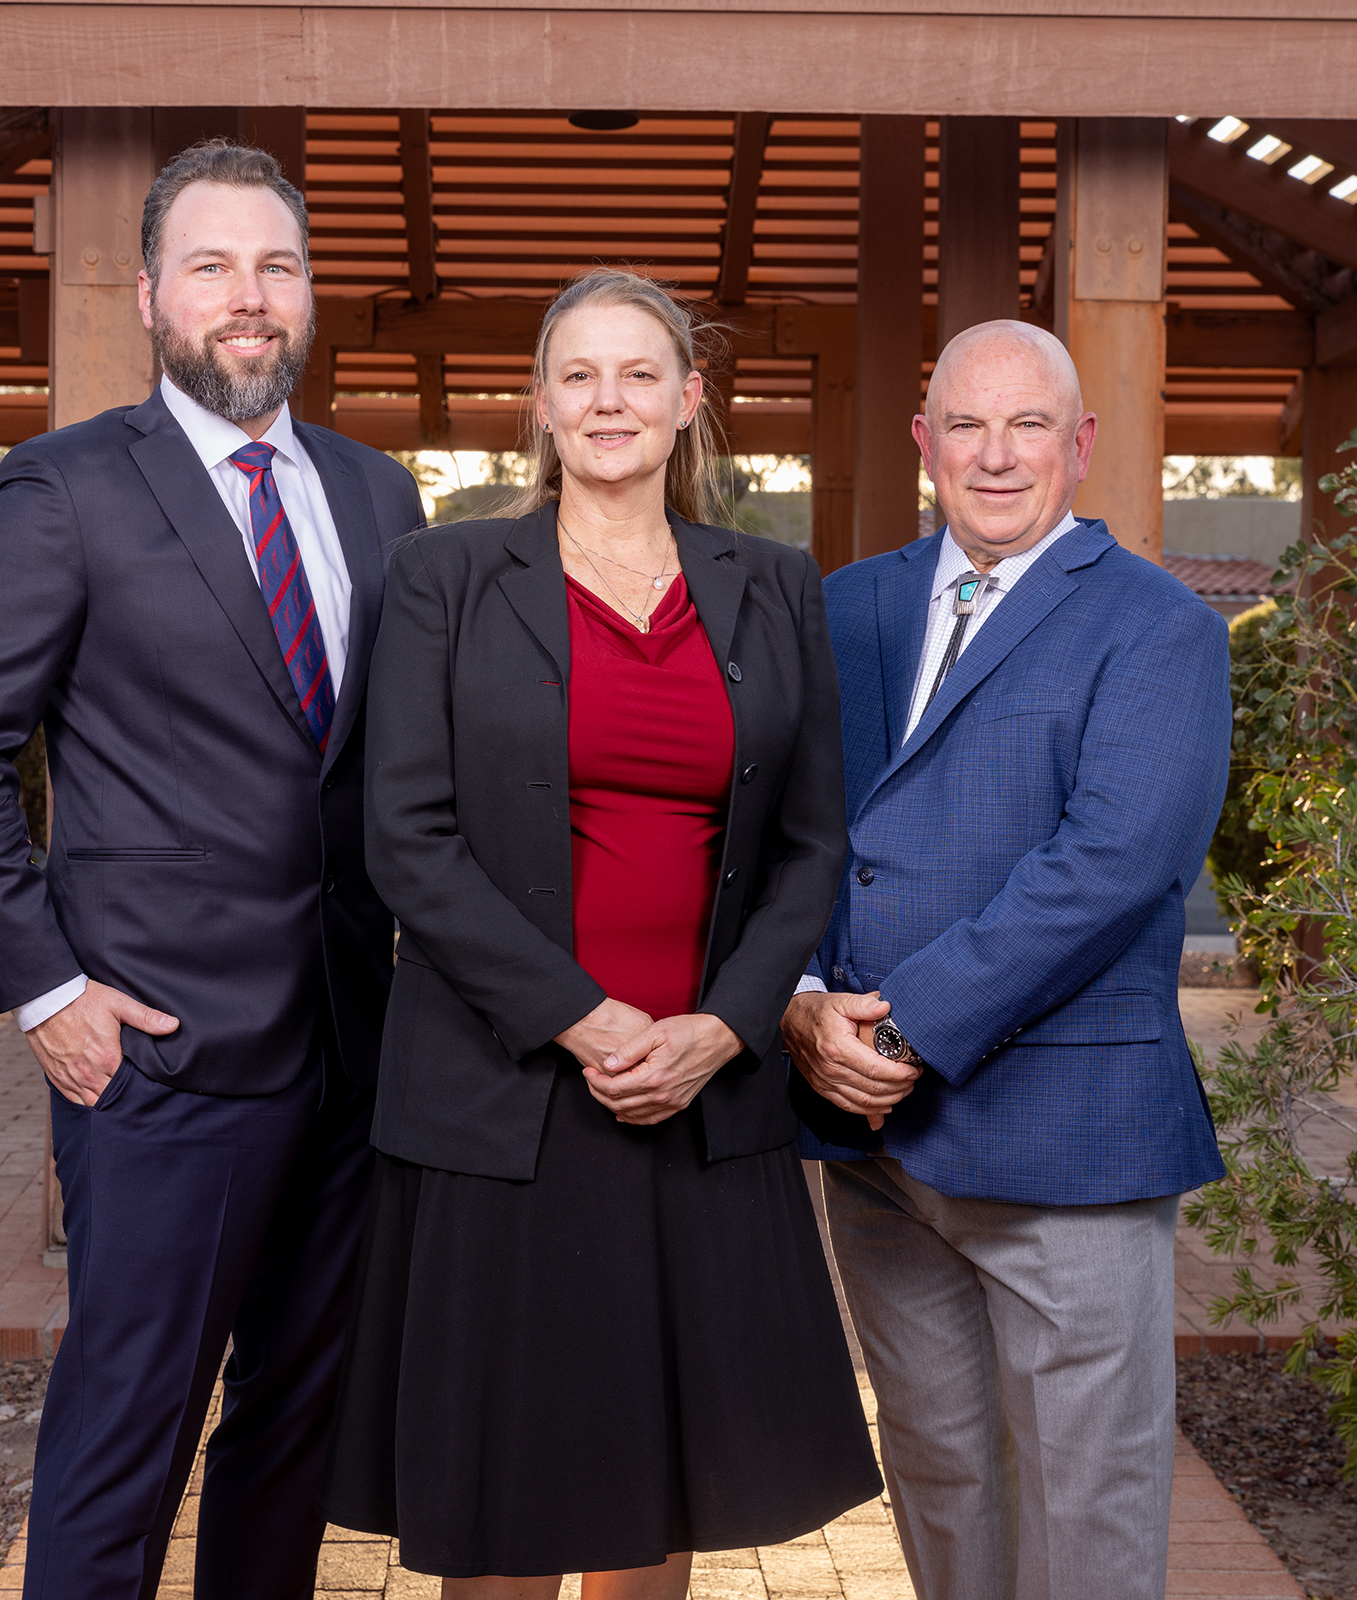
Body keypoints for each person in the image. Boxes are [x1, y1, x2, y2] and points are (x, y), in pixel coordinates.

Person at [0, 140, 425, 1600]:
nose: (247, 299)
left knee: (292, 1433)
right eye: (212, 267)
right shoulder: (66, 489)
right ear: (149, 294)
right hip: (158, 1062)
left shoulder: (380, 499)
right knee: (125, 1442)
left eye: (276, 267)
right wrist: (44, 989)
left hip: (351, 1048)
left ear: (310, 295)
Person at [324, 268, 880, 1593]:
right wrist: (586, 1020)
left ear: (691, 400)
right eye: (579, 374)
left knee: (658, 1492)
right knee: (500, 1499)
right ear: (539, 403)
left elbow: (810, 845)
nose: (609, 399)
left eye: (640, 373)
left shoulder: (774, 583)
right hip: (501, 1100)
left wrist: (719, 1029)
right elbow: (403, 836)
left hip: (697, 1102)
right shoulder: (440, 575)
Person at [783, 320, 1232, 1600]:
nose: (994, 455)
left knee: (1084, 1508)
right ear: (922, 443)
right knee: (942, 1481)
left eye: (1027, 424)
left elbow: (1112, 867)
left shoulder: (1161, 632)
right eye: (964, 425)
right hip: (876, 1152)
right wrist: (806, 1002)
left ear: (1079, 445)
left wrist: (903, 1027)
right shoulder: (848, 606)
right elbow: (796, 828)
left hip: (1065, 1144)